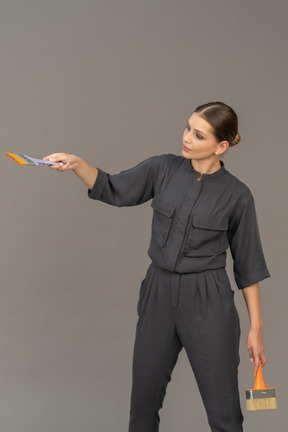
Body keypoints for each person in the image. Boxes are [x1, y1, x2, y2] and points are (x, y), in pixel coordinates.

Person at [43, 101, 270, 432]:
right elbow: (113, 188)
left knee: (224, 415)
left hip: (208, 299)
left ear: (221, 145)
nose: (187, 138)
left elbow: (249, 265)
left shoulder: (238, 196)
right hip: (158, 293)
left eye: (198, 134)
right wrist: (78, 164)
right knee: (143, 406)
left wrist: (256, 328)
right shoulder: (163, 169)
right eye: (187, 127)